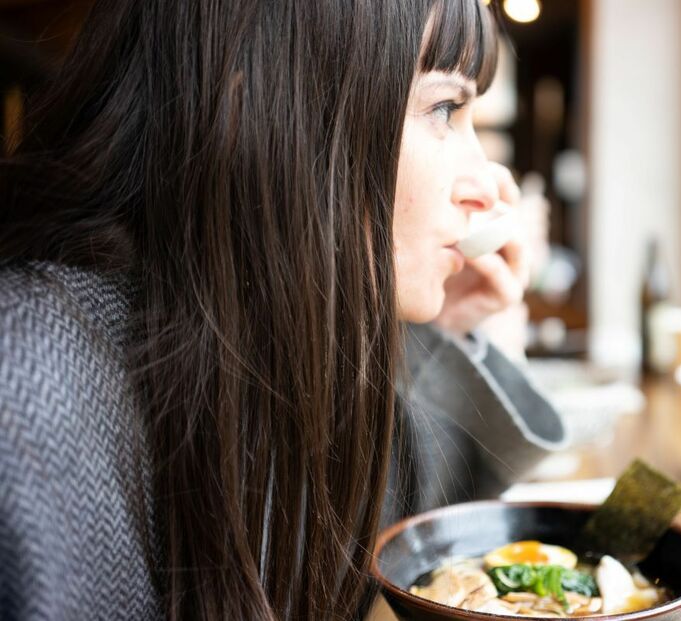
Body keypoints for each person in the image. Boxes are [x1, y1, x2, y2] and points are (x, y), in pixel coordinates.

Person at [0, 1, 566, 620]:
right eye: (443, 108)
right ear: (264, 110)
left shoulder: (251, 318)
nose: (487, 185)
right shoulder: (30, 373)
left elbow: (406, 545)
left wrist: (440, 326)